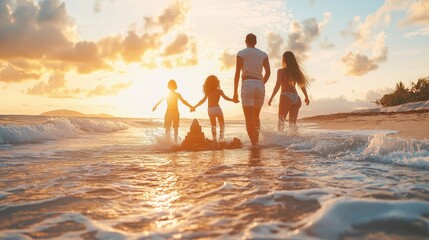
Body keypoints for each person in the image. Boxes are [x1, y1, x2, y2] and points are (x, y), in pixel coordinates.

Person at [233, 33, 270, 145]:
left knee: (249, 118)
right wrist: (262, 83)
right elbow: (268, 72)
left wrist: (235, 92)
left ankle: (254, 143)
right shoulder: (263, 54)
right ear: (256, 42)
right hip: (259, 84)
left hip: (247, 83)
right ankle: (256, 141)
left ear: (246, 41)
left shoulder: (241, 53)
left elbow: (237, 72)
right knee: (256, 116)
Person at [268, 51, 310, 131]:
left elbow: (277, 85)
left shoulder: (281, 71)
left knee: (281, 122)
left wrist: (271, 97)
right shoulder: (296, 72)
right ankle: (294, 142)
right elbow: (302, 86)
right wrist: (306, 97)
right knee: (292, 125)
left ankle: (280, 142)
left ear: (284, 60)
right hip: (296, 98)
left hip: (286, 96)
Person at [193, 75, 238, 141]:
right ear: (216, 82)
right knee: (222, 125)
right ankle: (221, 139)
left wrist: (194, 106)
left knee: (213, 125)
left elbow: (202, 101)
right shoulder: (219, 91)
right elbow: (225, 98)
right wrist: (233, 100)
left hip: (210, 109)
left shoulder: (207, 92)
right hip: (217, 109)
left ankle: (214, 139)